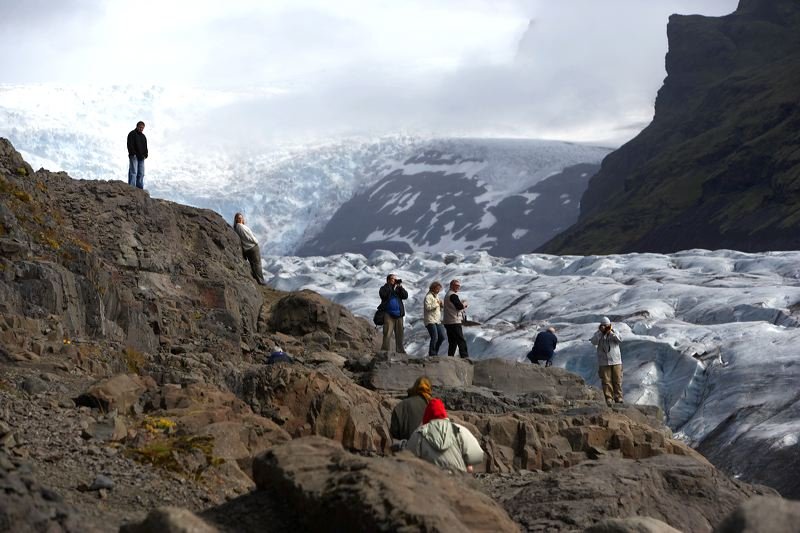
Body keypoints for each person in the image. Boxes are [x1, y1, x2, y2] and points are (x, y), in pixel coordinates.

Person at [406, 398, 484, 473]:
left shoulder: (420, 433)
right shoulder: (459, 430)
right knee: (469, 468)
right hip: (458, 481)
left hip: (429, 482)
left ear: (427, 414)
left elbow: (408, 458)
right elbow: (477, 455)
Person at [590, 316, 623, 406]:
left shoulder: (614, 332)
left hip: (616, 361)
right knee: (606, 381)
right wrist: (600, 333)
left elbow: (620, 339)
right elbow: (593, 342)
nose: (605, 327)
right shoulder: (598, 334)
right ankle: (609, 398)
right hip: (603, 361)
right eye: (603, 325)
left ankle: (618, 397)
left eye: (607, 325)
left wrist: (610, 333)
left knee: (617, 380)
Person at [389, 376, 432, 442]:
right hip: (429, 451)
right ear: (429, 389)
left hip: (406, 450)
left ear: (415, 387)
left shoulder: (400, 406)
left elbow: (394, 434)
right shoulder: (434, 407)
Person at [233, 213, 267, 285]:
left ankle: (257, 280)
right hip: (252, 247)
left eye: (241, 218)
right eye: (239, 218)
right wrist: (255, 241)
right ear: (236, 219)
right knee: (257, 264)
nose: (240, 219)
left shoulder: (237, 227)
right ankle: (261, 281)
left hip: (248, 248)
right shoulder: (240, 226)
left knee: (253, 265)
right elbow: (248, 236)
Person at [379, 273, 408, 353]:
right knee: (387, 333)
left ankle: (400, 350)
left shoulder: (398, 289)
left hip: (399, 315)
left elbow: (405, 296)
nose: (395, 280)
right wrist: (392, 288)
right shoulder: (384, 288)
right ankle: (385, 351)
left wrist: (400, 288)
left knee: (400, 334)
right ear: (388, 280)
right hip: (388, 314)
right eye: (393, 279)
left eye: (395, 279)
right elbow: (383, 295)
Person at [442, 279, 469, 358]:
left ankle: (450, 357)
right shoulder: (453, 295)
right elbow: (459, 306)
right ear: (452, 286)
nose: (458, 287)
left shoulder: (447, 294)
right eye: (456, 286)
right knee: (461, 340)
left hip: (448, 321)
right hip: (454, 321)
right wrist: (464, 304)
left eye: (458, 286)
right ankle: (465, 357)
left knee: (452, 341)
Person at [423, 282, 446, 356]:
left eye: (439, 289)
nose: (438, 290)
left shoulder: (436, 296)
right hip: (430, 320)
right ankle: (432, 353)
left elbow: (437, 308)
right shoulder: (428, 296)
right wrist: (437, 304)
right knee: (434, 337)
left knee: (442, 337)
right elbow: (428, 307)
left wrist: (441, 305)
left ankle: (435, 351)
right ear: (433, 288)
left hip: (437, 320)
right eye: (437, 289)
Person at [126, 121, 148, 189]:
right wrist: (133, 153)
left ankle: (139, 189)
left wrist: (146, 155)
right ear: (137, 126)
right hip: (134, 157)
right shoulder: (132, 134)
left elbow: (145, 147)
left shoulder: (143, 136)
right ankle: (131, 188)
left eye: (143, 128)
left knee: (141, 173)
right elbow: (129, 145)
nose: (141, 129)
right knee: (133, 172)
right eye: (140, 127)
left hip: (141, 158)